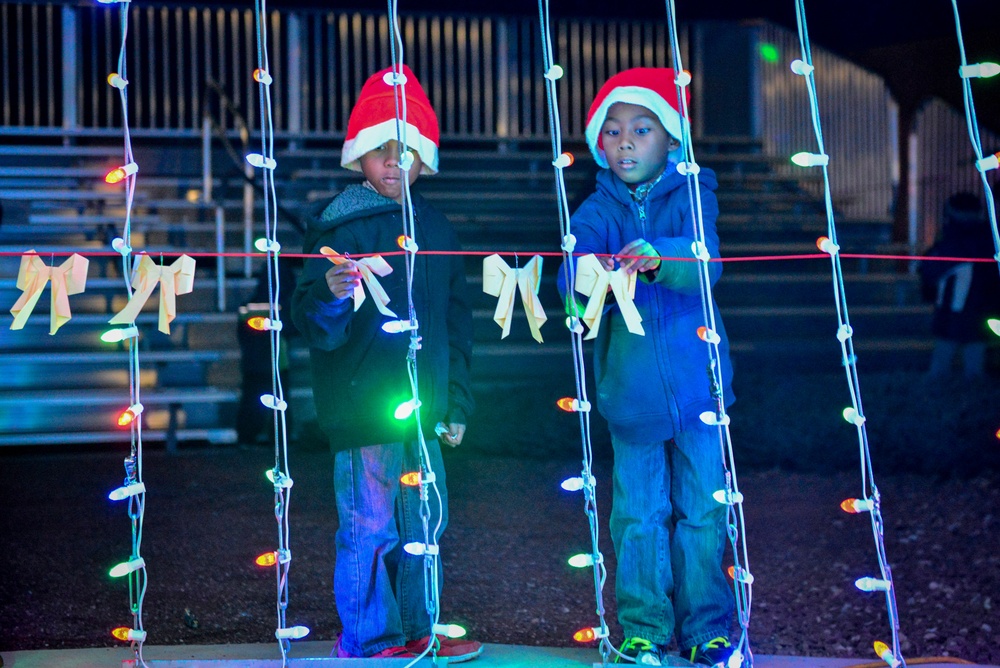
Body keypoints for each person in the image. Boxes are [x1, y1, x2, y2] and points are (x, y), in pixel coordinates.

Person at [291, 65, 480, 662]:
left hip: (423, 412)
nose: (396, 163)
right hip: (361, 408)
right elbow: (310, 319)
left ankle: (419, 631)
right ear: (360, 156)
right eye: (381, 150)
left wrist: (455, 402)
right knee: (370, 530)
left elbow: (456, 325)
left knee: (424, 525)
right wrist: (331, 289)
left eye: (409, 151)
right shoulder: (336, 225)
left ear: (426, 157)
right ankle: (369, 639)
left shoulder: (439, 229)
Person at [558, 68, 736, 667]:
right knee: (637, 515)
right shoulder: (596, 208)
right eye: (611, 131)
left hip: (697, 390)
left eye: (641, 128)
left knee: (706, 511)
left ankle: (709, 626)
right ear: (598, 143)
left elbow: (704, 260)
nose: (625, 142)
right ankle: (644, 628)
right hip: (629, 394)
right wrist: (571, 287)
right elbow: (576, 261)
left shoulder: (693, 191)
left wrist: (664, 258)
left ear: (671, 140)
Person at [919, 191, 1000, 379]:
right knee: (973, 358)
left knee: (943, 359)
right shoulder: (988, 238)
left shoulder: (953, 240)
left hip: (954, 309)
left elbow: (931, 269)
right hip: (981, 307)